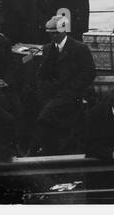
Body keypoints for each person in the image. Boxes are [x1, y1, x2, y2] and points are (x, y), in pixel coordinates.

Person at [33, 15, 96, 155]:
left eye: (55, 33)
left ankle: (40, 146)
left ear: (64, 31)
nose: (53, 36)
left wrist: (72, 89)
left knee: (46, 115)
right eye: (50, 33)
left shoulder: (79, 48)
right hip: (53, 93)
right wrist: (44, 88)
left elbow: (89, 72)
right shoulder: (47, 48)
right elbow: (42, 73)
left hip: (73, 92)